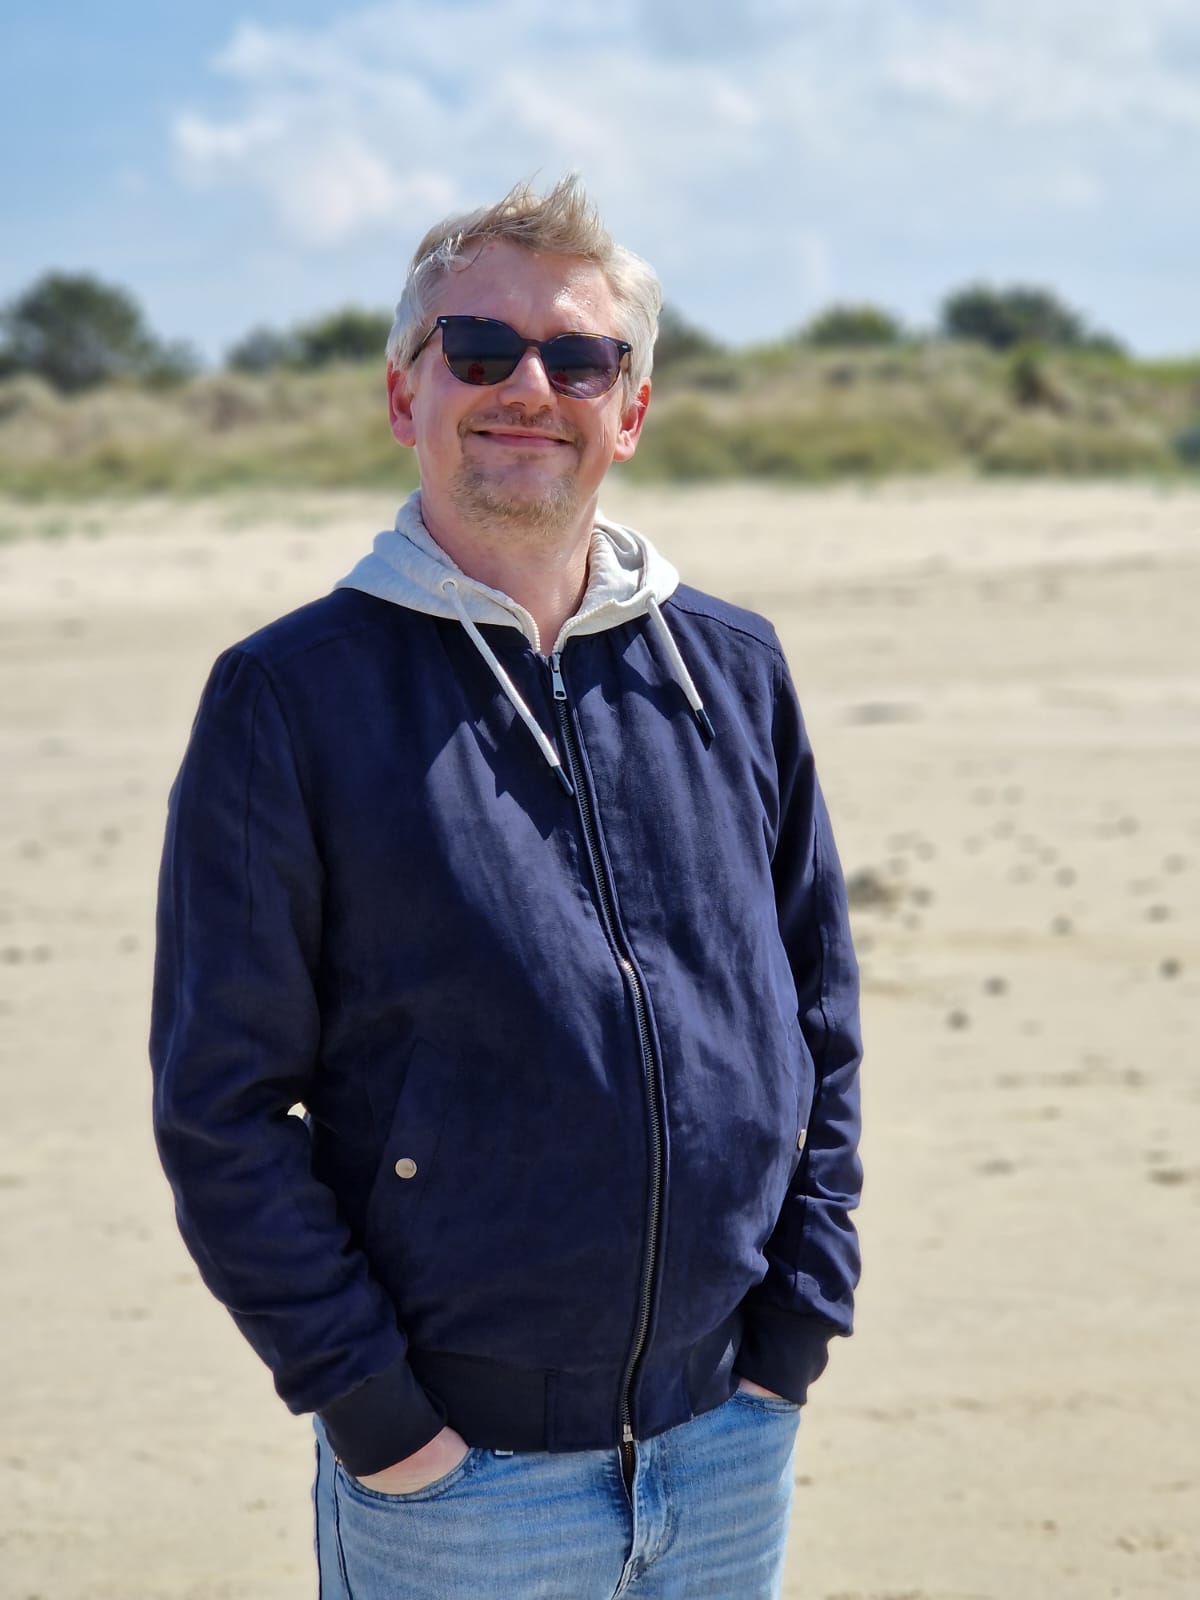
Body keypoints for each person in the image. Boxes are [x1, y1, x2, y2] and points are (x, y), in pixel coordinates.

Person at [149, 175, 863, 1599]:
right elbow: (220, 1105)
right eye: (479, 350)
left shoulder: (733, 670)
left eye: (580, 358)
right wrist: (378, 1416)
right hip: (462, 1483)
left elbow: (819, 1017)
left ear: (629, 409)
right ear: (403, 394)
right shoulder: (288, 698)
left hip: (730, 1442)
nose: (530, 388)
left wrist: (796, 1329)